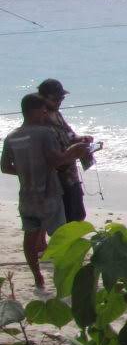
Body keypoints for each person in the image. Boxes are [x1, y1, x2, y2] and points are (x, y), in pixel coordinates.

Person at [2, 94, 88, 289]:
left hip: (27, 196)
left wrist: (27, 171)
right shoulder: (44, 133)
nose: (45, 114)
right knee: (60, 238)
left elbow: (5, 167)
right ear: (34, 111)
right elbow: (56, 160)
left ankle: (37, 276)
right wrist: (75, 151)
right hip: (49, 195)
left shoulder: (12, 137)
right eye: (43, 111)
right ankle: (63, 278)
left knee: (30, 237)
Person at [38, 79, 93, 223]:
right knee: (65, 219)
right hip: (56, 178)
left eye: (61, 98)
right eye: (55, 99)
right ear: (42, 98)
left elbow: (70, 135)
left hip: (71, 175)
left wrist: (82, 139)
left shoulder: (57, 114)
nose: (59, 101)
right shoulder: (39, 119)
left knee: (78, 215)